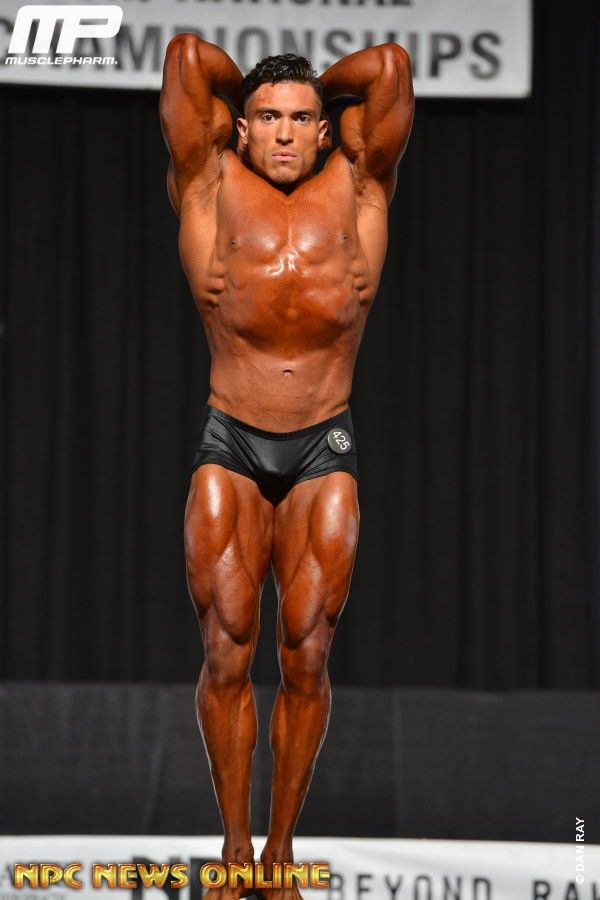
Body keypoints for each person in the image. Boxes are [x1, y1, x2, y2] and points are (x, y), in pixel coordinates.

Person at [160, 36, 414, 899]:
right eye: (266, 118)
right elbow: (187, 58)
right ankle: (235, 849)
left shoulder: (361, 184)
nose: (282, 133)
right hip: (231, 438)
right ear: (240, 129)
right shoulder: (208, 182)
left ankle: (280, 854)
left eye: (302, 119)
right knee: (227, 651)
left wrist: (314, 85)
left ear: (325, 129)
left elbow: (389, 67)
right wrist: (255, 91)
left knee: (306, 654)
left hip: (322, 442)